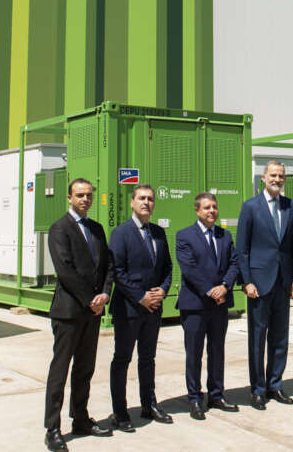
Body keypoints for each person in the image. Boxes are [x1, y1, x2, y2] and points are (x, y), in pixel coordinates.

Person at [43, 178, 114, 452]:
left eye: (88, 195)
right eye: (80, 195)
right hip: (69, 312)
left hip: (93, 312)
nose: (85, 199)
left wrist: (105, 294)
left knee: (85, 368)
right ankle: (52, 428)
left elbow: (108, 265)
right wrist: (90, 301)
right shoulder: (59, 229)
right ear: (69, 198)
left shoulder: (96, 229)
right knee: (60, 372)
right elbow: (66, 271)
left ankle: (81, 418)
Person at [236, 160, 293, 410]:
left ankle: (275, 385)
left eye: (281, 175)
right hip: (259, 283)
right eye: (273, 175)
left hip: (283, 283)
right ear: (263, 178)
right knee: (257, 338)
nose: (277, 179)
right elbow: (242, 249)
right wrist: (246, 281)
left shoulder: (291, 207)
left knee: (280, 337)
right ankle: (257, 389)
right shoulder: (250, 207)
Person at [107, 185, 174, 432]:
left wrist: (163, 291)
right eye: (142, 198)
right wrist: (140, 297)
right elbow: (118, 271)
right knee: (122, 359)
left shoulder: (158, 232)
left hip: (153, 308)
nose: (146, 202)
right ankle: (120, 411)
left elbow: (167, 267)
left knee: (148, 358)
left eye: (150, 199)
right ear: (133, 203)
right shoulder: (121, 233)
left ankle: (149, 404)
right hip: (129, 309)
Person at [175, 192, 241, 420]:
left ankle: (216, 395)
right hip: (195, 304)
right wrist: (210, 289)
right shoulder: (184, 236)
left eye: (214, 207)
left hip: (220, 304)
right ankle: (194, 398)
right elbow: (189, 268)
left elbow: (234, 263)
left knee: (217, 351)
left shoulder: (225, 236)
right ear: (197, 211)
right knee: (194, 353)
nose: (211, 211)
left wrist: (224, 286)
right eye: (206, 208)